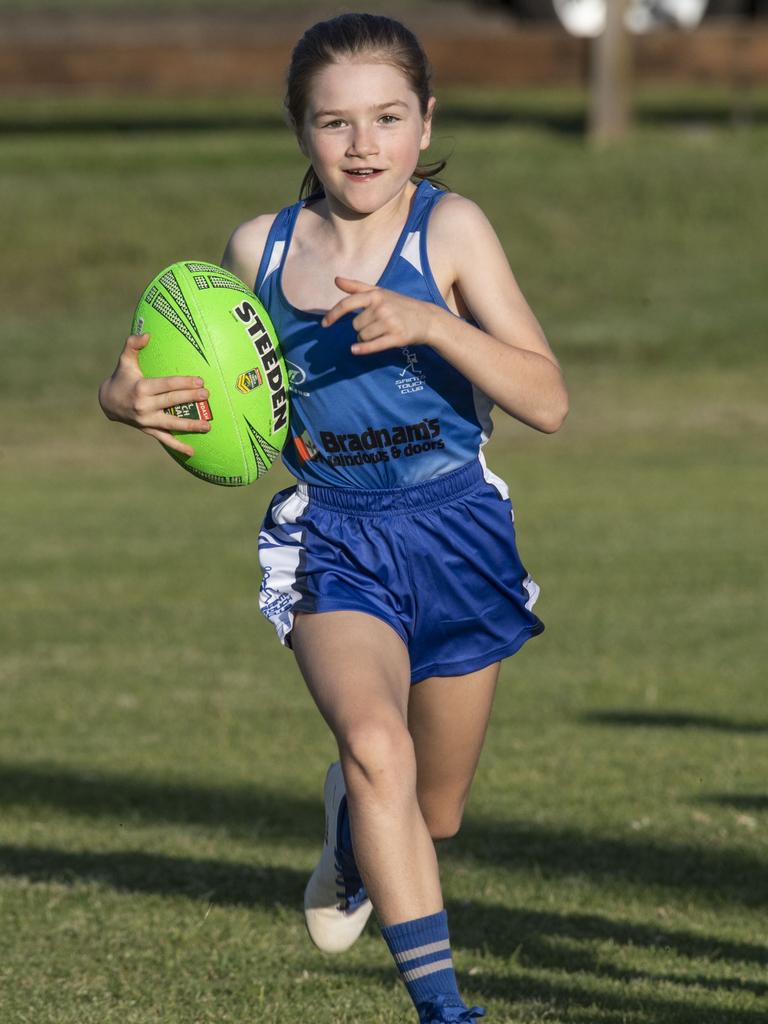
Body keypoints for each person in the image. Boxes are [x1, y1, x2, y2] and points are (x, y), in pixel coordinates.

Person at [98, 13, 568, 1023]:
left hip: (457, 533)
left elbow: (549, 400)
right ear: (300, 131)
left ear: (426, 118)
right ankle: (446, 1012)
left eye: (389, 118)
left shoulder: (450, 231)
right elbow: (198, 400)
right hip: (332, 535)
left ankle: (352, 841)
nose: (364, 145)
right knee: (377, 745)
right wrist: (122, 400)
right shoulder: (255, 251)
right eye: (336, 122)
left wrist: (434, 322)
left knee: (429, 811)